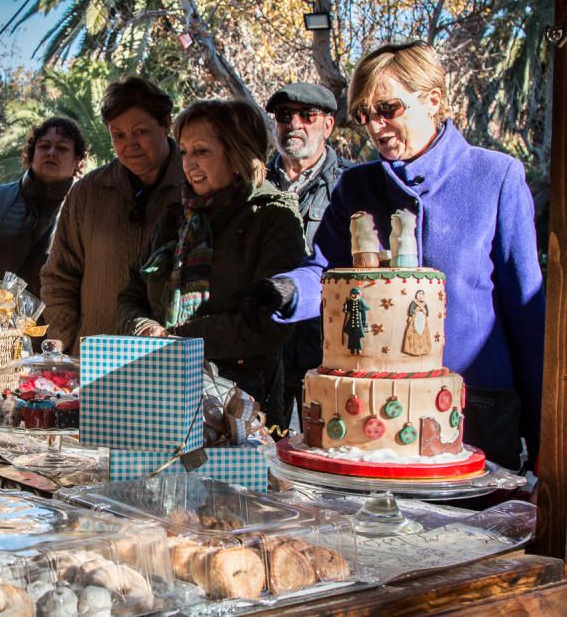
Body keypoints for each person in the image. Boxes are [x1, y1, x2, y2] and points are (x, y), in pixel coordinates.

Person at [247, 41, 546, 469]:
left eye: (388, 109)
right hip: (370, 424)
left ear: (433, 100)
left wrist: (545, 448)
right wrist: (288, 291)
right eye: (365, 115)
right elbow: (327, 272)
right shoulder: (357, 187)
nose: (376, 126)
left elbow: (527, 315)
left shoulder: (495, 177)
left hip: (476, 408)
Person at [116, 99, 307, 422]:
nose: (189, 163)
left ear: (236, 154)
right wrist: (146, 329)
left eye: (201, 151)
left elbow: (268, 321)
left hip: (243, 403)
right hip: (162, 391)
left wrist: (177, 339)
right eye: (185, 152)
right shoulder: (175, 219)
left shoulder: (273, 217)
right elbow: (130, 295)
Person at [42, 76, 185, 354]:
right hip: (93, 362)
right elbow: (58, 278)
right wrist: (70, 346)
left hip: (171, 360)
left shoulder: (195, 187)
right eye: (118, 135)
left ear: (166, 123)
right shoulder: (87, 193)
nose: (130, 144)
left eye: (140, 132)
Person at [265, 82, 352, 428]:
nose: (295, 124)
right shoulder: (252, 182)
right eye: (285, 116)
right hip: (266, 354)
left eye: (308, 115)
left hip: (328, 355)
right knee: (262, 465)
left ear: (328, 124)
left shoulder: (351, 186)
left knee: (328, 460)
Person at [0, 117, 87, 297]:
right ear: (32, 153)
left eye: (62, 148)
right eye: (44, 146)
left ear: (77, 160)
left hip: (55, 324)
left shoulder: (87, 209)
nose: (52, 152)